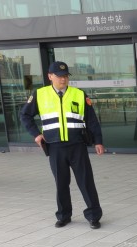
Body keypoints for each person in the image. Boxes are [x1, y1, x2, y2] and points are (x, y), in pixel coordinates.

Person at [20, 61, 105, 229]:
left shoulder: (79, 94)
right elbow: (25, 115)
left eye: (66, 76)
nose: (63, 79)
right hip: (54, 146)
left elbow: (92, 121)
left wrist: (98, 141)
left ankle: (93, 216)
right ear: (50, 76)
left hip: (77, 145)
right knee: (61, 183)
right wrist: (36, 134)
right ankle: (64, 215)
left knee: (86, 181)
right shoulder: (40, 94)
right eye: (59, 76)